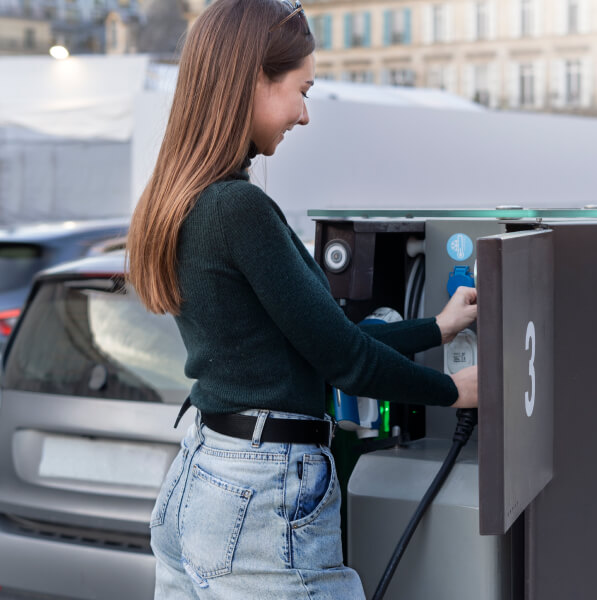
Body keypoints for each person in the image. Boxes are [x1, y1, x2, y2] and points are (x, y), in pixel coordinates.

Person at [126, 1, 479, 597]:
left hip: (204, 477)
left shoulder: (186, 201)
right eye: (302, 90)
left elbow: (322, 340)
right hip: (262, 496)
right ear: (252, 81)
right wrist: (455, 391)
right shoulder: (237, 209)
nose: (305, 115)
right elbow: (347, 360)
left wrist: (436, 329)